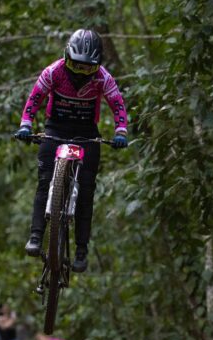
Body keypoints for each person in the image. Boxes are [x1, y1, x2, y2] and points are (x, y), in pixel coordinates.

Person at [14, 29, 130, 273]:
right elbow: (34, 99)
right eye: (75, 65)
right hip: (55, 129)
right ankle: (36, 236)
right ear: (66, 56)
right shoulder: (54, 71)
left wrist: (121, 131)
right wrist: (26, 124)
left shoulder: (104, 78)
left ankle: (81, 250)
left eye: (87, 69)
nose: (80, 73)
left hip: (87, 133)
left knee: (86, 192)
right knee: (44, 182)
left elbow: (117, 103)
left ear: (97, 65)